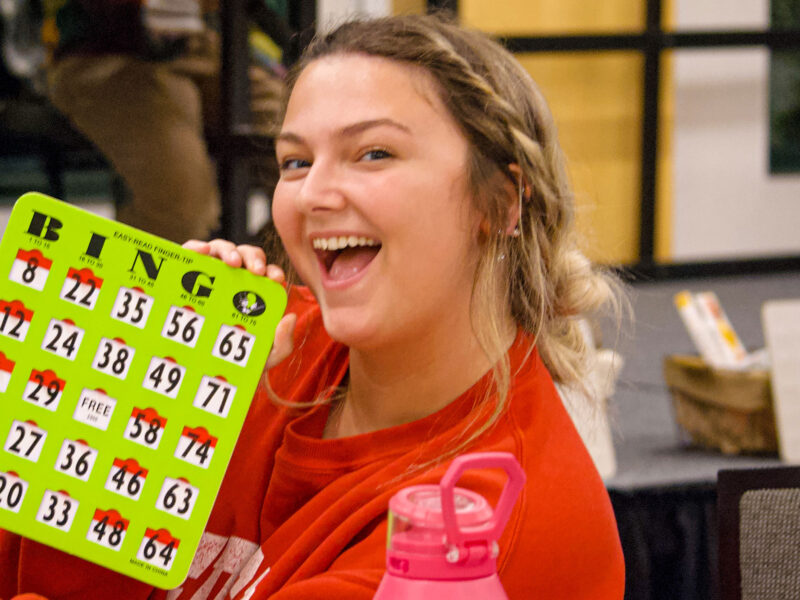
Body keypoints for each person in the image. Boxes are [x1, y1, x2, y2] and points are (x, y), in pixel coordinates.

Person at [0, 13, 626, 599]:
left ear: (501, 202)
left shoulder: (479, 525)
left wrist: (133, 428)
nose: (314, 194)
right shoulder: (261, 346)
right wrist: (111, 392)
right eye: (294, 162)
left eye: (374, 153)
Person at [43, 0, 286, 243]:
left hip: (197, 41)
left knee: (306, 144)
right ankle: (146, 274)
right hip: (103, 51)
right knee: (181, 204)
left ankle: (265, 266)